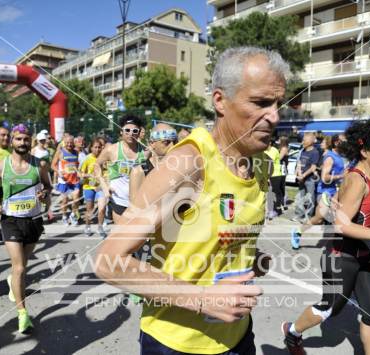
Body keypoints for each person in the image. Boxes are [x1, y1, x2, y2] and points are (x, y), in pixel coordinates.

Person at [95, 46, 287, 354]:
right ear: (220, 101)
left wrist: (247, 254)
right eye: (261, 103)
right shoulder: (188, 163)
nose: (274, 117)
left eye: (279, 104)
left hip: (237, 336)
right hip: (176, 342)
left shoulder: (261, 162)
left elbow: (213, 230)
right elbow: (109, 261)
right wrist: (202, 299)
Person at [282, 119, 370, 355]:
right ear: (364, 150)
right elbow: (341, 225)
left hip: (365, 255)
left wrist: (332, 206)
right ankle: (292, 332)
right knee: (330, 309)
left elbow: (338, 211)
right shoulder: (357, 179)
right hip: (342, 256)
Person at [0, 123, 51, 334]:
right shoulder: (0, 166)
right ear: (12, 141)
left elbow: (47, 185)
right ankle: (22, 313)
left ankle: (12, 280)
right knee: (20, 268)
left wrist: (44, 193)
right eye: (18, 139)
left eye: (25, 139)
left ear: (30, 140)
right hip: (11, 220)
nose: (22, 143)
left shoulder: (39, 164)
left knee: (22, 266)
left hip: (33, 220)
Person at [291, 134, 345, 250]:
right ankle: (298, 231)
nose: (346, 143)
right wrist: (341, 176)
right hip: (325, 192)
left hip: (334, 192)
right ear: (336, 143)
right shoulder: (330, 157)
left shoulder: (339, 156)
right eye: (344, 141)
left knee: (336, 220)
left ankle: (335, 247)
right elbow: (325, 177)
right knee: (319, 218)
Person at [95, 114, 148, 223]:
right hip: (119, 200)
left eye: (135, 131)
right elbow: (96, 165)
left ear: (139, 133)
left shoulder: (146, 151)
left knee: (140, 237)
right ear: (121, 131)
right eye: (127, 130)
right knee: (121, 234)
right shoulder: (111, 150)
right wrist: (104, 185)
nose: (131, 134)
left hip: (139, 202)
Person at [79, 137, 108, 237]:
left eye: (99, 147)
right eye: (95, 147)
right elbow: (81, 174)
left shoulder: (104, 158)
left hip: (100, 187)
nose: (97, 149)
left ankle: (100, 227)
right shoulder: (87, 159)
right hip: (89, 187)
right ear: (91, 148)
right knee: (89, 209)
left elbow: (108, 171)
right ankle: (87, 226)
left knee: (102, 208)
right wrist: (89, 175)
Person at [51, 135, 81, 226]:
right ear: (64, 142)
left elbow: (76, 165)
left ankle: (73, 215)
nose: (69, 144)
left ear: (74, 143)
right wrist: (59, 172)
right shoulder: (60, 152)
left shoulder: (76, 152)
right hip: (64, 180)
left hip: (74, 180)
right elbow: (53, 165)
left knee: (76, 199)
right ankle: (64, 217)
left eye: (71, 143)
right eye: (67, 143)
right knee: (65, 200)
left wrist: (78, 173)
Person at [292, 132, 320, 223]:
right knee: (300, 197)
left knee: (310, 198)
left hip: (309, 180)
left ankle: (308, 216)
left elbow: (313, 167)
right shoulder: (303, 150)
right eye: (303, 139)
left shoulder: (315, 152)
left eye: (304, 140)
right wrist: (298, 172)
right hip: (302, 178)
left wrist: (303, 175)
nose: (302, 141)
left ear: (311, 141)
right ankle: (298, 215)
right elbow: (299, 162)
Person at [265, 138, 283, 219]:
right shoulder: (264, 151)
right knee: (269, 194)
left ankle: (276, 210)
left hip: (275, 175)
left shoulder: (274, 150)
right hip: (268, 175)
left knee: (275, 194)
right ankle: (270, 210)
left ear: (270, 143)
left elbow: (269, 163)